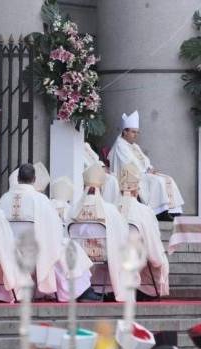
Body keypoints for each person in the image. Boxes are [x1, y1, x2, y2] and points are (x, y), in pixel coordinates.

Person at [0, 164, 95, 302]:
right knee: (67, 247)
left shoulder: (4, 199)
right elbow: (54, 229)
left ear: (18, 178)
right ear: (34, 179)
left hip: (10, 250)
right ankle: (79, 291)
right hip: (34, 249)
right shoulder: (40, 199)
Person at [70, 165, 132, 301]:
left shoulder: (73, 210)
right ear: (102, 188)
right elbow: (123, 235)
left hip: (77, 259)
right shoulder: (110, 210)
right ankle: (112, 288)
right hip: (104, 255)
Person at [108, 111, 184, 219]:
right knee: (157, 181)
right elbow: (128, 164)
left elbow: (145, 160)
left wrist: (149, 168)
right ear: (125, 132)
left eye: (137, 132)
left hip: (142, 172)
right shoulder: (120, 145)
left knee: (168, 179)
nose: (136, 135)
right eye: (133, 132)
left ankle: (173, 210)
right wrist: (145, 171)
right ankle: (159, 212)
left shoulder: (134, 146)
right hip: (129, 176)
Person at [117, 163, 170, 299]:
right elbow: (153, 249)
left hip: (112, 271)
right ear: (137, 190)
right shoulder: (144, 211)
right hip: (140, 280)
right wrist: (159, 259)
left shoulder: (110, 209)